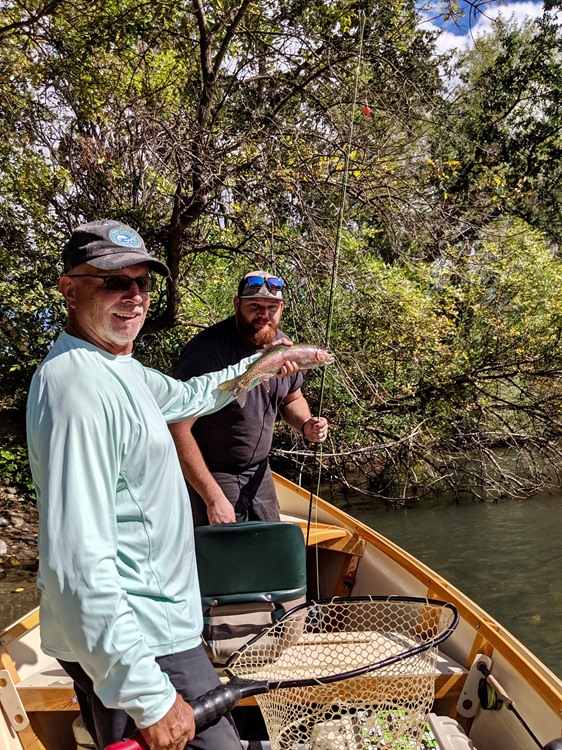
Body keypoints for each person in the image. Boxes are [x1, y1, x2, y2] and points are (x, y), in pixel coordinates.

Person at [26, 222, 299, 750]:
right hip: (142, 636)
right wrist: (148, 695)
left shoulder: (117, 367)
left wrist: (267, 364)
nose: (133, 296)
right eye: (112, 282)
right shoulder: (77, 390)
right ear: (69, 288)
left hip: (148, 629)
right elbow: (76, 562)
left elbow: (192, 395)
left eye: (142, 283)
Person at [169, 270, 329, 526]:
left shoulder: (282, 346)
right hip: (213, 473)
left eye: (271, 307)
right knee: (228, 555)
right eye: (254, 306)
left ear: (282, 308)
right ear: (237, 304)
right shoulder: (206, 352)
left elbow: (291, 399)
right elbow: (177, 429)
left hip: (259, 473)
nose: (264, 314)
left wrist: (306, 425)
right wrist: (212, 498)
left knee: (268, 546)